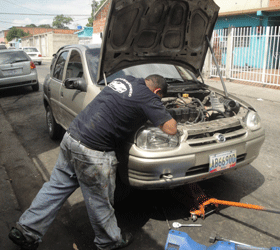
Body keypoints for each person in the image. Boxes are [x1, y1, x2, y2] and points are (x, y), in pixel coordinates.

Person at [8, 74, 177, 250]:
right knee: (100, 201)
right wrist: (161, 109)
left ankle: (25, 230)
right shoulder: (148, 96)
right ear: (157, 91)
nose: (158, 100)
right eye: (160, 98)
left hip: (72, 137)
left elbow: (121, 104)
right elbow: (171, 129)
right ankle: (109, 241)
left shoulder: (125, 80)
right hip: (93, 152)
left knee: (55, 188)